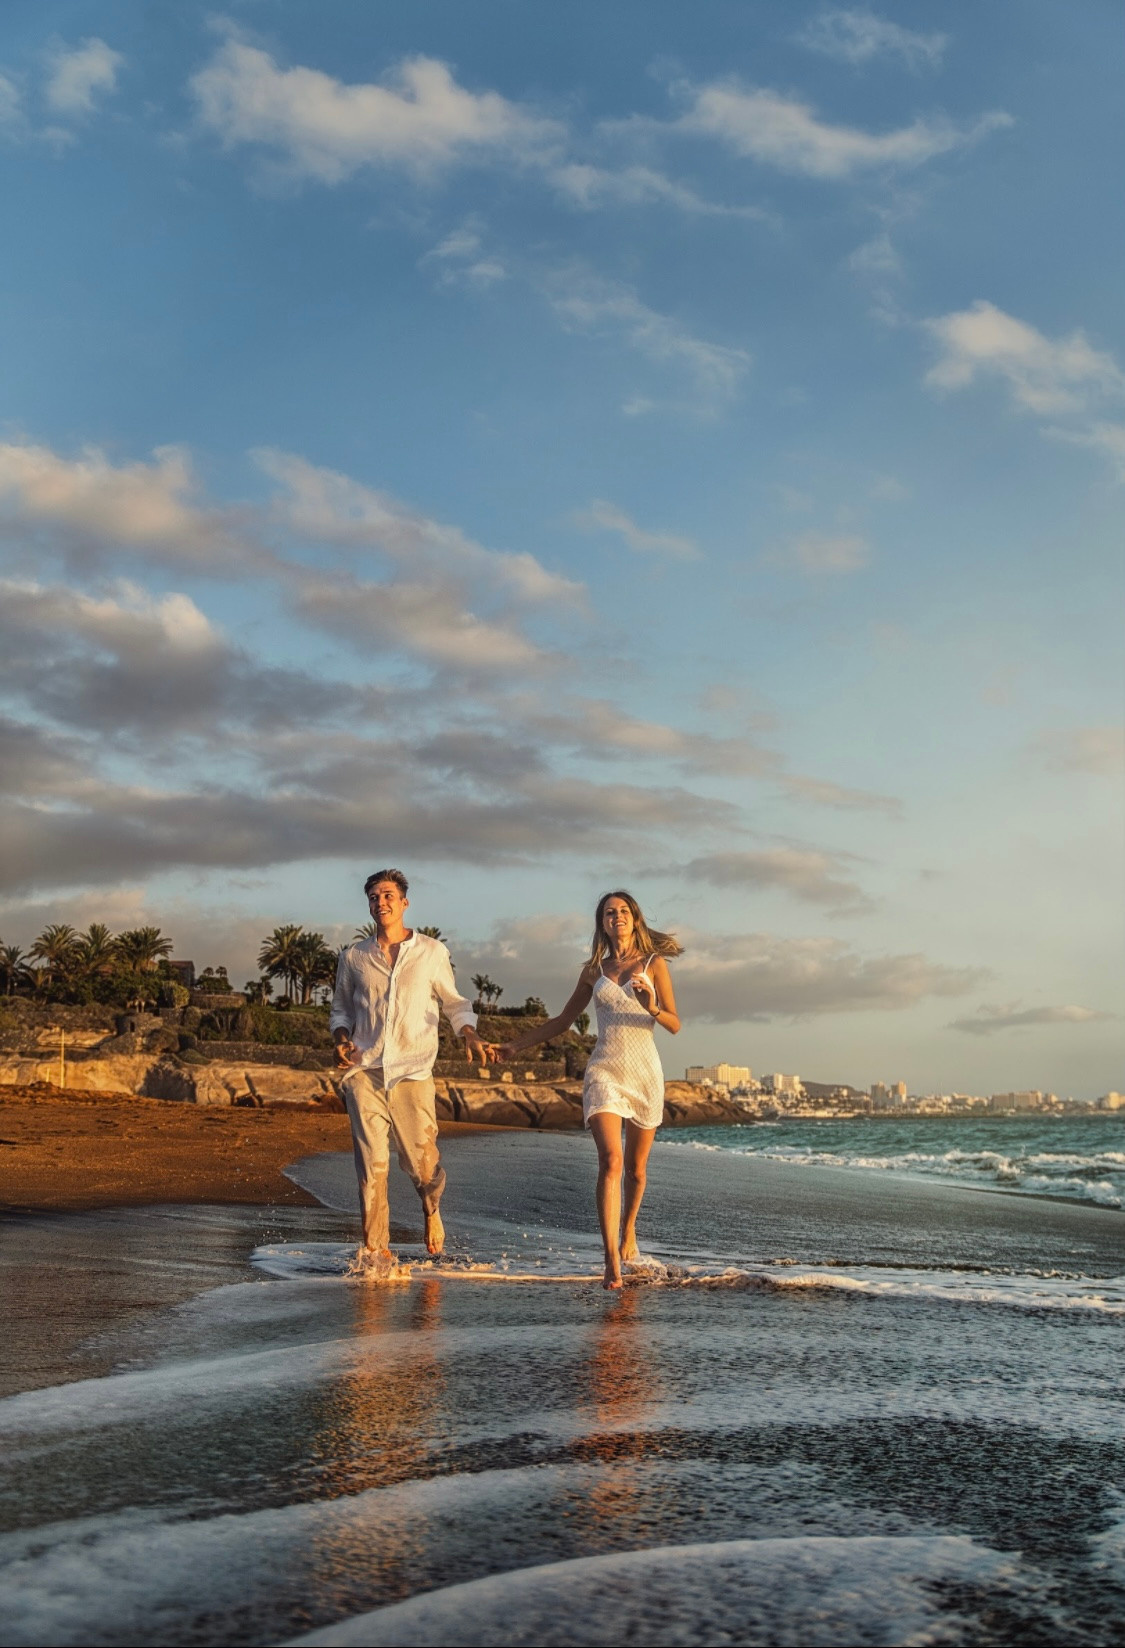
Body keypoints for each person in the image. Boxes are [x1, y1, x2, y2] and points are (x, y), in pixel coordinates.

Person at [493, 890, 681, 1290]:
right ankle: (611, 1258)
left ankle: (628, 1230)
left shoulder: (653, 964)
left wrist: (651, 1005)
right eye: (609, 913)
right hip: (605, 1071)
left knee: (637, 1170)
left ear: (635, 919)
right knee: (611, 1161)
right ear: (602, 923)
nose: (617, 917)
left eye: (624, 911)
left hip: (645, 1071)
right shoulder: (593, 971)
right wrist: (516, 1045)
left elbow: (675, 1024)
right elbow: (562, 1020)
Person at [331, 868, 487, 1269]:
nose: (380, 902)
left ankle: (431, 1210)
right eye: (373, 897)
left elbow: (453, 1002)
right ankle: (376, 1251)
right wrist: (341, 1039)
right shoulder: (353, 958)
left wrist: (468, 1034)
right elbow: (341, 1010)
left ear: (404, 902)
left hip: (413, 1073)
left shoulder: (431, 952)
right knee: (372, 1164)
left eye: (387, 895)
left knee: (422, 1165)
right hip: (365, 1072)